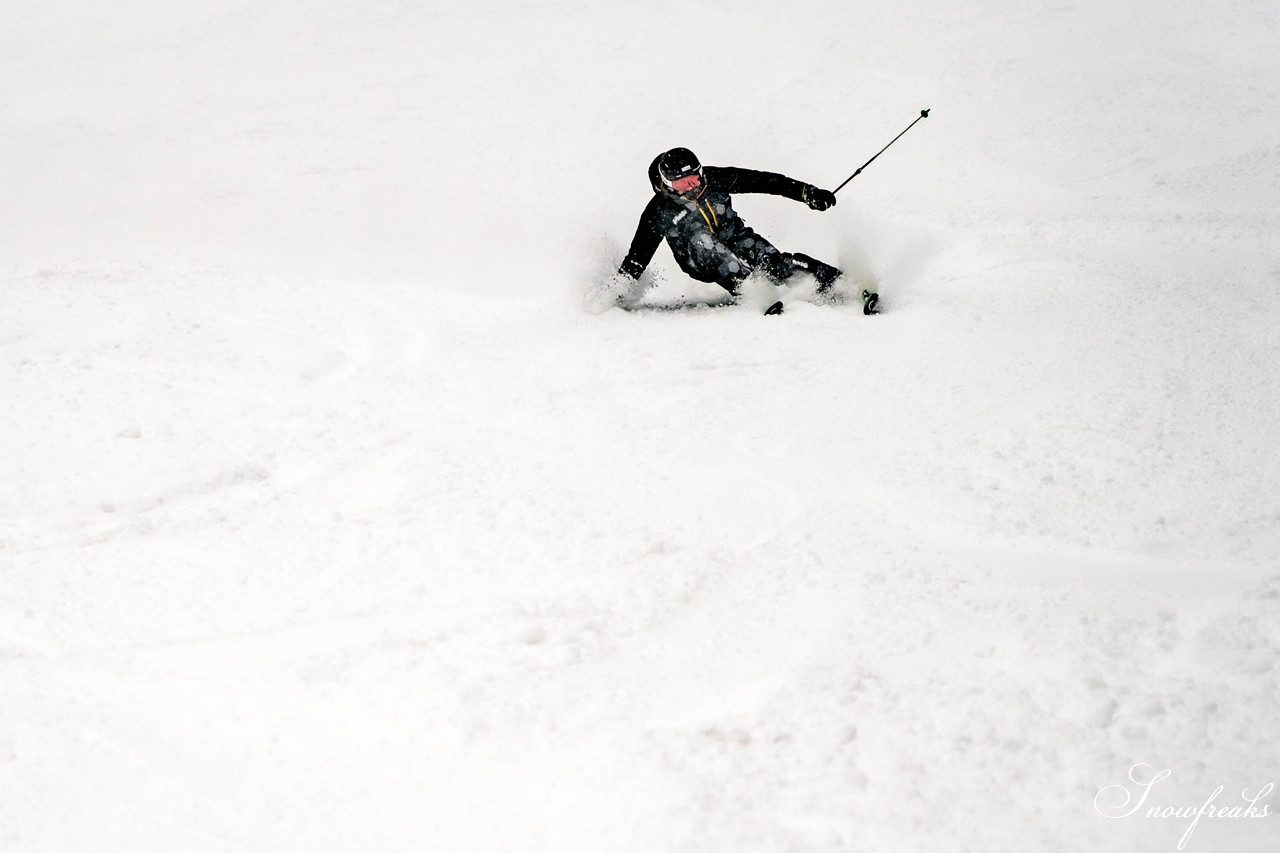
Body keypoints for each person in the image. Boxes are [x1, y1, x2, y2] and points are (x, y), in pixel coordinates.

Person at [604, 147, 846, 315]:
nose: (693, 184)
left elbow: (765, 181)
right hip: (698, 257)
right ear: (668, 183)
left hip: (735, 236)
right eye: (683, 181)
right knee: (703, 240)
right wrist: (614, 294)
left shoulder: (715, 178)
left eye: (695, 176)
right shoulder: (659, 212)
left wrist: (807, 193)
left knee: (772, 262)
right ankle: (754, 291)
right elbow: (638, 258)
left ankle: (833, 282)